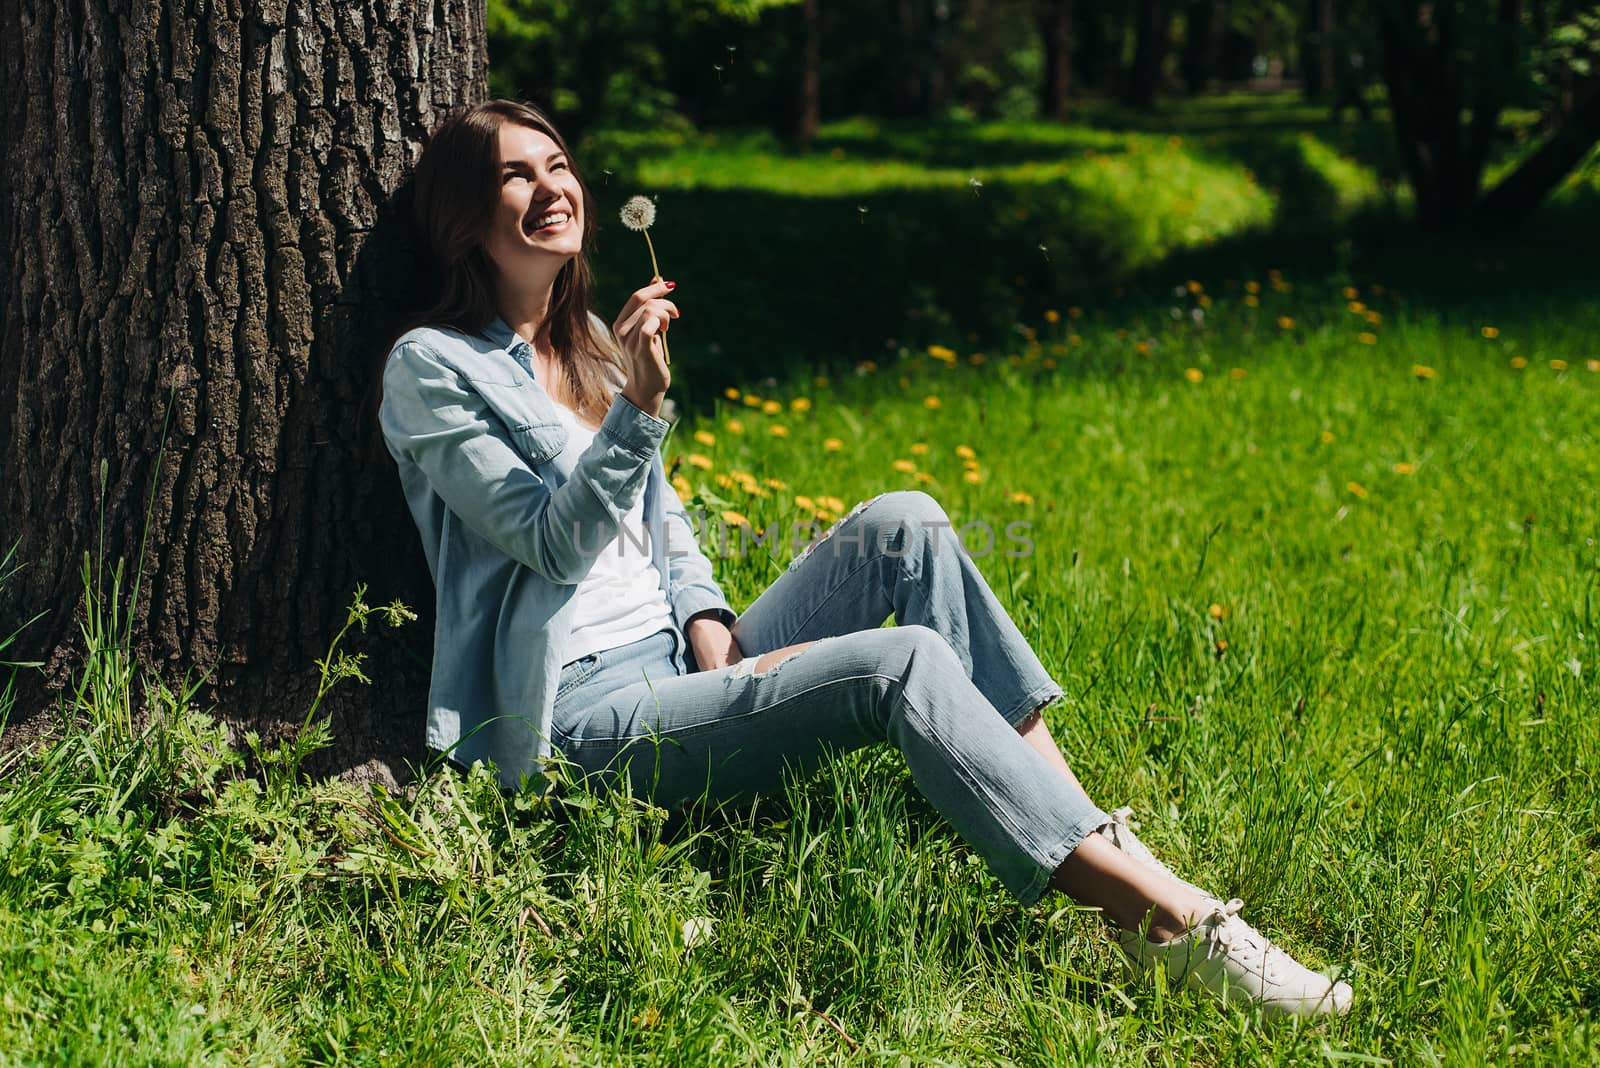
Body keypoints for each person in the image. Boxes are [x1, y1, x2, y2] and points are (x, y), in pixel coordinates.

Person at [376, 99, 1353, 1020]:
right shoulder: (432, 369)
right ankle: (1165, 921)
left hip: (677, 664)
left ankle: (1089, 834)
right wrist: (636, 408)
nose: (551, 187)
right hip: (582, 717)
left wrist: (708, 620)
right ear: (465, 215)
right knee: (902, 664)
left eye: (557, 164)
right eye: (514, 176)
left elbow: (662, 523)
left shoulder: (585, 338)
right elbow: (550, 541)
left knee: (907, 523)